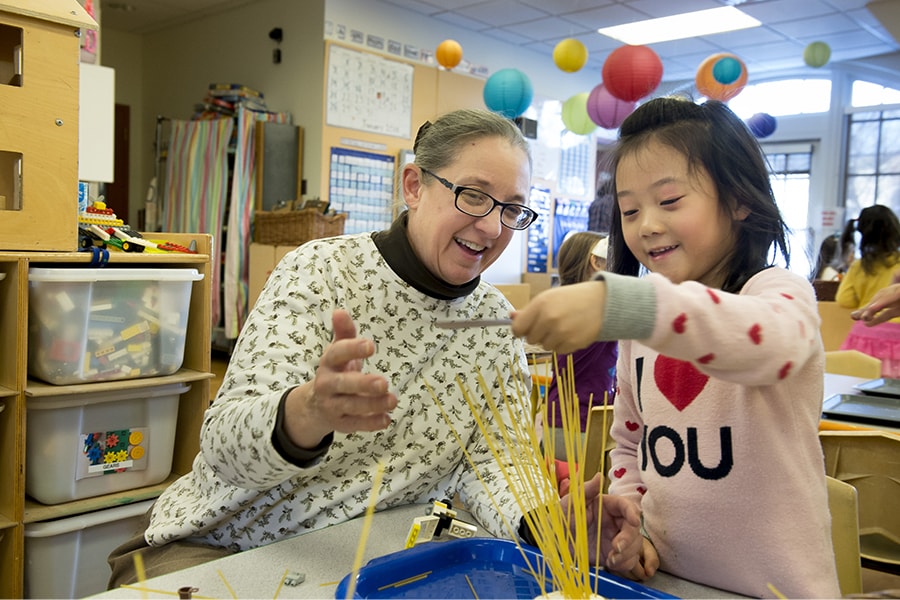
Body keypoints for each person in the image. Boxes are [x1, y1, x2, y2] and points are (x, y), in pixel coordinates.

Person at [107, 108, 643, 587]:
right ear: (414, 185)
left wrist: (546, 524)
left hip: (372, 564)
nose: (490, 224)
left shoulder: (497, 323)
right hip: (222, 548)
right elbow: (224, 448)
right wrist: (305, 413)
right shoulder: (319, 272)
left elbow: (493, 464)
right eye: (473, 195)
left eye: (512, 209)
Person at [511, 97, 840, 598]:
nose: (646, 225)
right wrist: (632, 523)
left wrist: (636, 305)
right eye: (629, 210)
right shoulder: (640, 330)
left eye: (669, 202)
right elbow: (628, 441)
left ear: (738, 200)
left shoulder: (775, 291)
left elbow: (775, 344)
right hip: (663, 582)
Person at [544, 231, 617, 461]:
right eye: (610, 258)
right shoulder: (590, 308)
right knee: (578, 495)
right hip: (576, 425)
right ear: (596, 262)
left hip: (577, 420)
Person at [837, 204, 900, 377]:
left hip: (865, 331)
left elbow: (844, 299)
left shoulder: (859, 266)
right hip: (897, 335)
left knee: (859, 385)